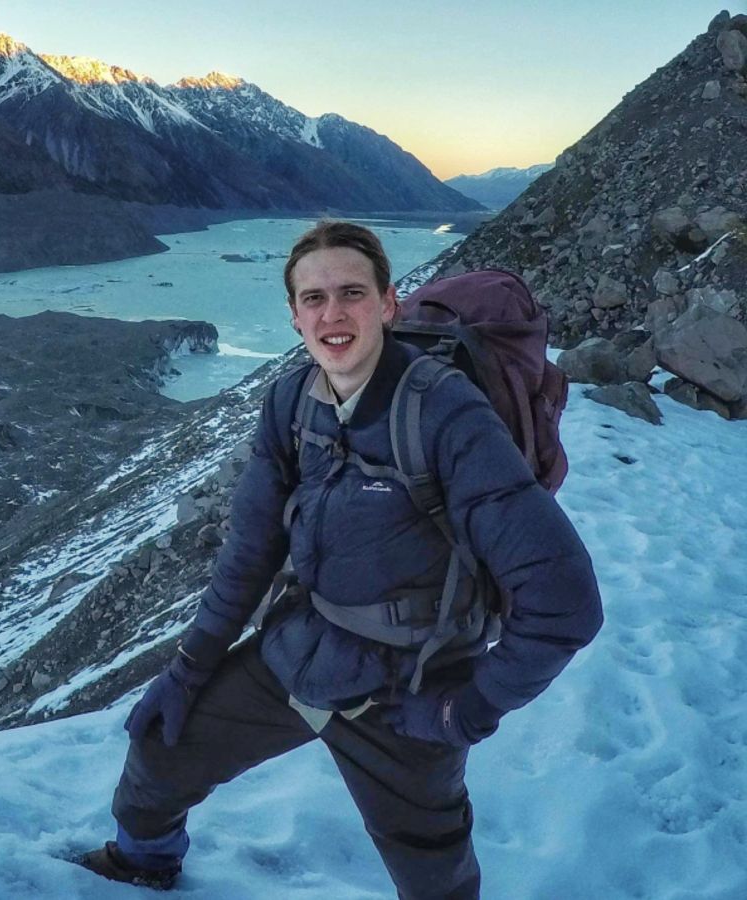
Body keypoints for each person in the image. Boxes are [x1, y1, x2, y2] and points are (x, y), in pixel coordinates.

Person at [78, 221, 603, 897]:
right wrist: (189, 668)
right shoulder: (292, 401)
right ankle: (141, 863)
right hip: (302, 648)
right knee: (161, 750)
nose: (333, 313)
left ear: (389, 304)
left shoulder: (446, 414)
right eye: (313, 297)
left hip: (411, 685)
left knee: (432, 866)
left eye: (352, 292)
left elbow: (566, 603)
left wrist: (463, 712)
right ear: (294, 316)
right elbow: (250, 550)